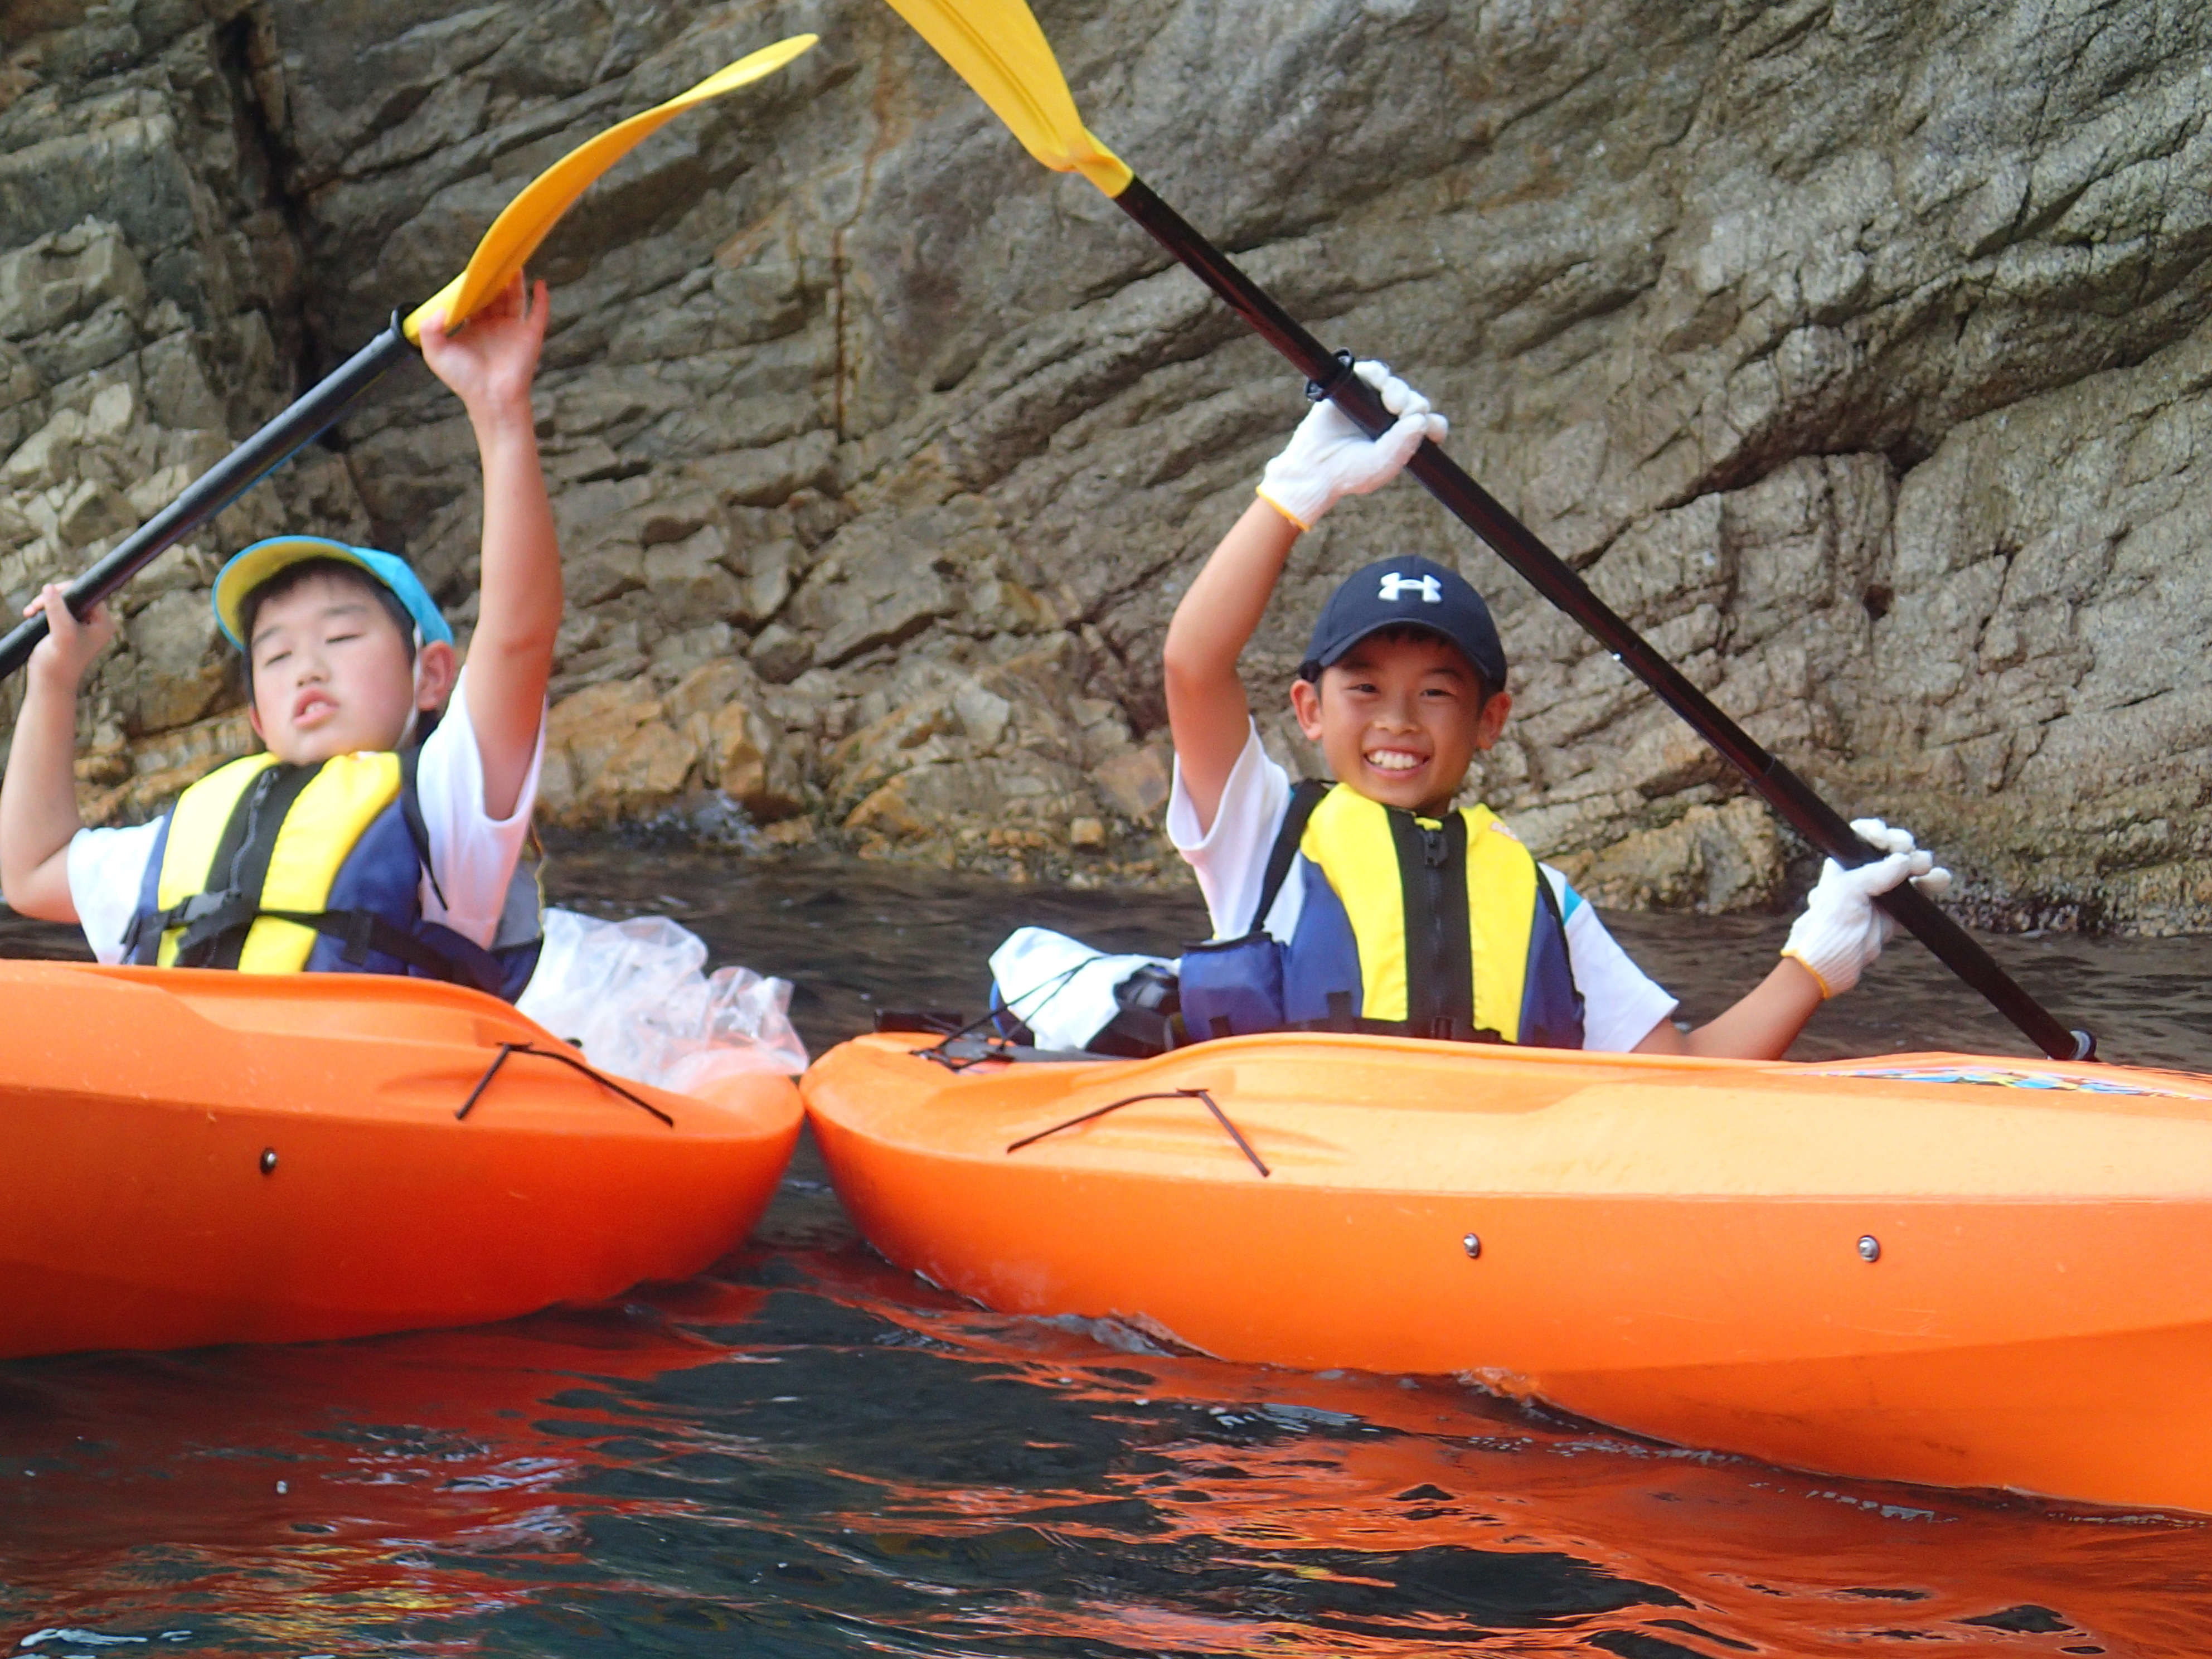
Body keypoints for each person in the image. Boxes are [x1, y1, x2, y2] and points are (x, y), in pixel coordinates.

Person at [1161, 361, 1948, 1059]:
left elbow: (1681, 1081)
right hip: (1301, 1182)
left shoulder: (1544, 898)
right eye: (1364, 689)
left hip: (1478, 1206)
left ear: (1490, 722)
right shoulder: (1261, 837)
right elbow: (1194, 668)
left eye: (1437, 692)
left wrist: (1816, 962)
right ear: (1309, 709)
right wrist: (1293, 493)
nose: (1398, 720)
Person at [0, 273, 561, 1000]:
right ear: (259, 719)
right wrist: (54, 679)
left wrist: (499, 410)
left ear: (431, 675)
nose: (306, 669)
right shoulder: (188, 832)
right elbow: (33, 870)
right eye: (276, 654)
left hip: (362, 1100)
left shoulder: (452, 806)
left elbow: (520, 634)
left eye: (341, 637)